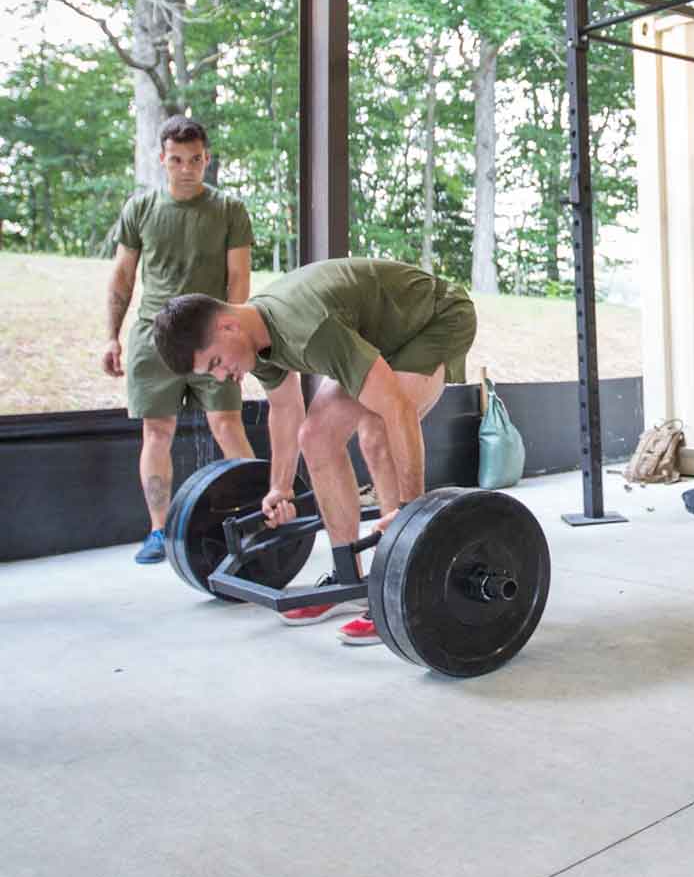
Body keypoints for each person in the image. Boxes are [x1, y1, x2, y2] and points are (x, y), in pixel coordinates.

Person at [151, 257, 476, 646]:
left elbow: (398, 409)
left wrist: (409, 512)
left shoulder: (308, 327)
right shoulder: (259, 340)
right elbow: (287, 410)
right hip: (382, 335)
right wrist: (280, 488)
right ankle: (347, 576)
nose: (222, 376)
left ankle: (401, 583)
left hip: (436, 318)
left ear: (228, 325)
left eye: (217, 362)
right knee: (316, 436)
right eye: (211, 371)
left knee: (376, 429)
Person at [103, 115, 257, 565]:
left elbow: (239, 278)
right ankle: (158, 531)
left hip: (212, 337)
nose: (186, 168)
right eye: (176, 159)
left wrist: (233, 336)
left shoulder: (230, 209)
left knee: (228, 424)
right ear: (162, 159)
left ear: (207, 159)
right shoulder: (141, 209)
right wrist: (110, 338)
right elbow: (123, 276)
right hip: (154, 337)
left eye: (195, 159)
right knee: (156, 430)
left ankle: (256, 518)